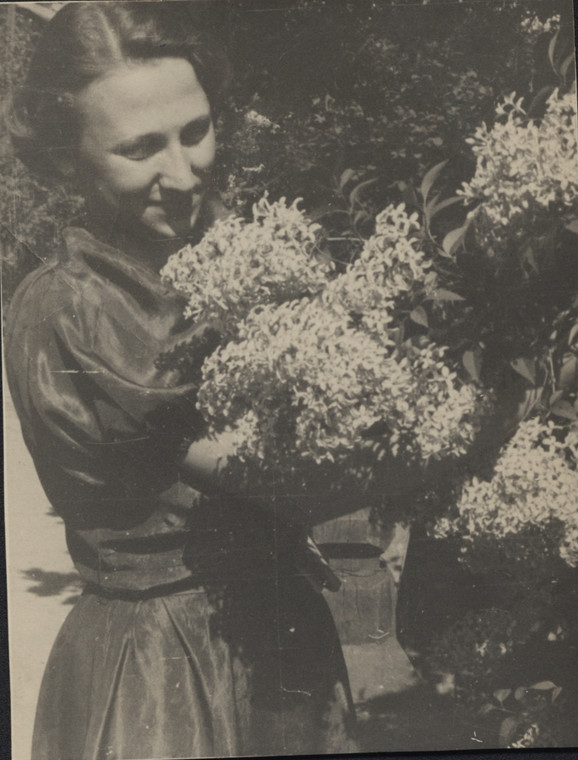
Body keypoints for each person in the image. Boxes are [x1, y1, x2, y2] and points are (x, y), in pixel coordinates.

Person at [4, 4, 359, 758]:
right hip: (165, 671)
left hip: (279, 646)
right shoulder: (71, 307)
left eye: (195, 131)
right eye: (140, 148)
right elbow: (292, 480)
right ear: (68, 158)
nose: (185, 172)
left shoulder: (233, 255)